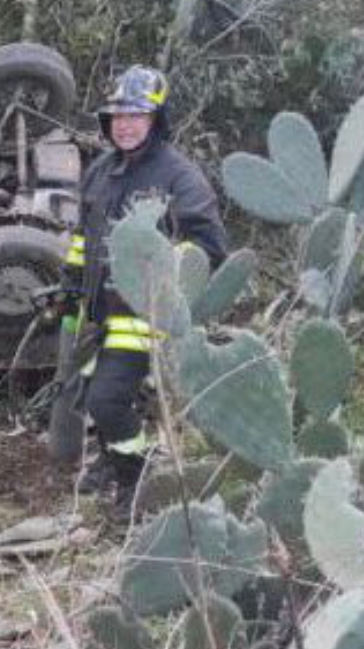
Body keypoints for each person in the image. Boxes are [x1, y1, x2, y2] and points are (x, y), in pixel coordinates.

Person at [61, 65, 227, 522]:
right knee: (91, 387)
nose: (125, 124)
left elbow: (209, 247)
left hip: (144, 314)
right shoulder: (101, 170)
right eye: (117, 116)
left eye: (136, 115)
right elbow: (83, 236)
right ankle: (111, 459)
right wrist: (70, 283)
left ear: (157, 120)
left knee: (107, 399)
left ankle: (136, 482)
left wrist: (159, 275)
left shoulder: (179, 176)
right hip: (96, 310)